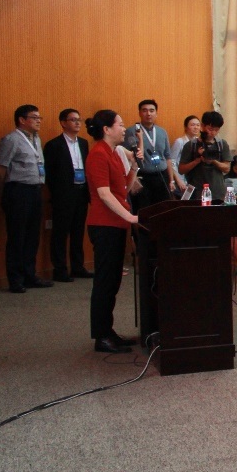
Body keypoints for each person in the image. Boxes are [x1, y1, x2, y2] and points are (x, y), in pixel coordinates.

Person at [83, 110, 140, 353]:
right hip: (104, 224)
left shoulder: (115, 152)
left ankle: (108, 331)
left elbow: (123, 189)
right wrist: (130, 217)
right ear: (106, 129)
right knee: (105, 282)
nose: (124, 129)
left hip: (116, 224)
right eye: (120, 124)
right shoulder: (98, 153)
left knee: (113, 280)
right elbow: (104, 194)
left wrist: (134, 166)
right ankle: (101, 336)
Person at [0, 104, 51, 293]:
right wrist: (6, 193)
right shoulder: (11, 139)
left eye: (39, 117)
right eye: (34, 117)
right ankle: (15, 279)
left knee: (32, 236)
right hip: (18, 191)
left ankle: (30, 275)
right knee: (17, 237)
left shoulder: (36, 139)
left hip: (35, 190)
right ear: (22, 120)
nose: (38, 121)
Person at [43, 109, 93, 283]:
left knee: (78, 232)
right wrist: (57, 192)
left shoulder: (84, 143)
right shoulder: (53, 145)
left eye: (79, 120)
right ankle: (60, 269)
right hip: (63, 194)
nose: (78, 123)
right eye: (73, 120)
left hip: (81, 192)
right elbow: (49, 173)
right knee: (60, 233)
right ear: (63, 123)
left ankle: (77, 267)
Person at [123, 98, 173, 206]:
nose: (148, 114)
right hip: (142, 177)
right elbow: (124, 157)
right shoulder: (131, 131)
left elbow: (168, 157)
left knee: (163, 208)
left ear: (156, 113)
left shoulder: (162, 132)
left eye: (151, 110)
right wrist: (133, 177)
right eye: (144, 110)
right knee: (143, 209)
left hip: (161, 176)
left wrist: (171, 180)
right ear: (139, 113)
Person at [178, 111, 231, 199]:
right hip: (197, 193)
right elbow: (181, 170)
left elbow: (227, 168)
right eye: (210, 129)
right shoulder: (191, 145)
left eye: (216, 130)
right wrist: (197, 161)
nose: (213, 133)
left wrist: (213, 161)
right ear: (202, 126)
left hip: (218, 193)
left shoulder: (222, 144)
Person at [168, 115, 201, 194]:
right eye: (192, 125)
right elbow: (172, 162)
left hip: (194, 179)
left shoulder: (199, 142)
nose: (196, 127)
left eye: (198, 125)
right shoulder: (180, 141)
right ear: (186, 127)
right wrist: (178, 180)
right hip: (181, 179)